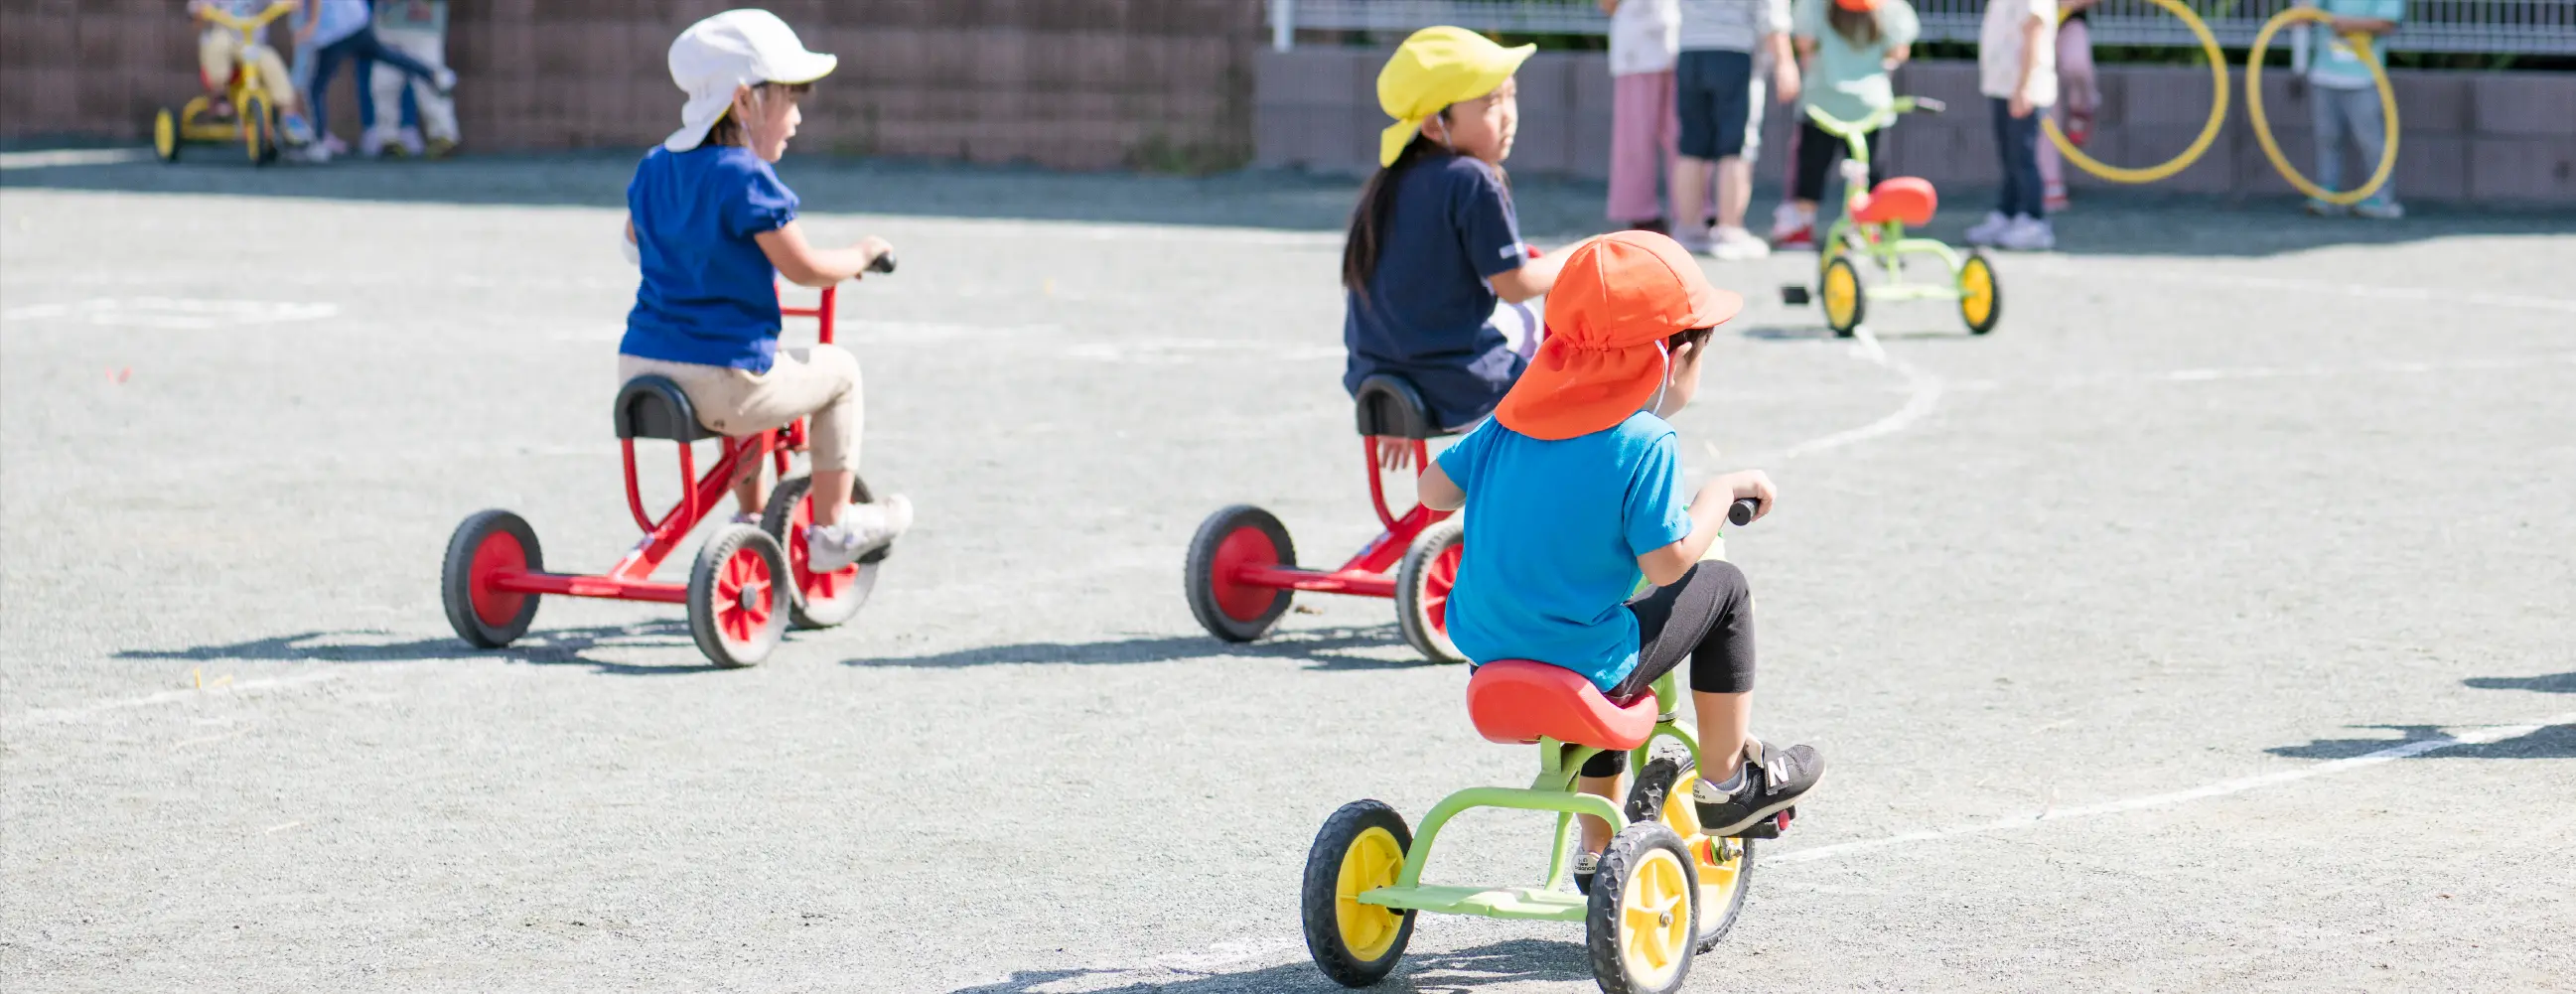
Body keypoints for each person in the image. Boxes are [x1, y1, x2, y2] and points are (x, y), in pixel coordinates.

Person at [1417, 230, 1824, 892]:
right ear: (1673, 353)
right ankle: (1726, 781)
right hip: (1581, 664)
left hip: (1489, 663)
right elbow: (1668, 563)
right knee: (1721, 588)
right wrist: (1718, 493)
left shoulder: (1509, 423)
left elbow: (1432, 490)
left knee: (1598, 612)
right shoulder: (1645, 439)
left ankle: (1595, 842)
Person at [618, 9, 913, 571]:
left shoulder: (654, 167)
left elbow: (634, 244)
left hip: (640, 369)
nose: (798, 119)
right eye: (791, 101)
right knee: (838, 374)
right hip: (724, 380)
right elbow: (802, 268)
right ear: (744, 101)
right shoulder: (744, 177)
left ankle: (752, 519)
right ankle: (834, 528)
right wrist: (861, 255)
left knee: (754, 380)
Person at [1345, 27, 1580, 448]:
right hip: (1459, 386)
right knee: (1582, 390)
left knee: (1518, 323)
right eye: (1490, 102)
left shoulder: (1387, 183)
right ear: (1436, 125)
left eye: (1511, 95)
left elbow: (1392, 297)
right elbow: (1515, 285)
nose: (1509, 114)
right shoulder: (1472, 180)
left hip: (1377, 379)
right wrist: (1582, 253)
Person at [1769, 0, 1918, 249]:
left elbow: (1804, 43)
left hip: (1822, 100)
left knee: (1811, 169)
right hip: (1871, 104)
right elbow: (1899, 51)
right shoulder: (1891, 6)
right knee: (1867, 172)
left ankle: (1800, 227)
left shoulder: (1813, 5)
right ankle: (1867, 229)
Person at [1672, 0, 1797, 259]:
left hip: (1689, 49)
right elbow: (1772, 13)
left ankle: (1688, 229)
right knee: (1736, 147)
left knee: (1691, 146)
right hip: (1736, 51)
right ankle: (1729, 231)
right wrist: (1785, 62)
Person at [299, 0, 455, 158]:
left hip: (339, 30)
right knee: (385, 71)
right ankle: (389, 138)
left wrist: (312, 22)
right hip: (369, 24)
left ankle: (318, 142)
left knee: (316, 87)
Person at [1966, 0, 2058, 251]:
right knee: (2009, 156)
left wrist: (2024, 86)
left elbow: (2034, 33)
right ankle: (2007, 214)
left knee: (2023, 157)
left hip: (2023, 88)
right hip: (2002, 85)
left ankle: (2034, 220)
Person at [2304, 0, 2405, 218]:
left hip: (2363, 77)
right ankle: (2327, 193)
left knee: (2370, 141)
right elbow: (2301, 16)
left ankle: (2381, 198)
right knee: (2326, 137)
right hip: (2325, 74)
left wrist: (2350, 24)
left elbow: (2388, 22)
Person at [1602, 0, 1681, 233]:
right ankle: (1639, 212)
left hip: (1680, 42)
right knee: (1634, 136)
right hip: (1637, 49)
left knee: (1685, 134)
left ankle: (1692, 209)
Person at [187, 0, 315, 145]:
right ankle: (220, 94)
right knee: (219, 44)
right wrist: (202, 12)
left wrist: (288, 4)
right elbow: (195, 10)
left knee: (270, 60)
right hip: (223, 36)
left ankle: (288, 114)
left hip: (250, 43)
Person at [361, 0, 461, 159]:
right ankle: (388, 139)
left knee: (431, 82)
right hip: (388, 27)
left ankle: (444, 135)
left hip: (425, 27)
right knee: (384, 84)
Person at [2034, 0, 2098, 213]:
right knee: (2046, 105)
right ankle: (2050, 184)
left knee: (2076, 63)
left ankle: (2083, 104)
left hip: (2068, 24)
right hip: (2034, 31)